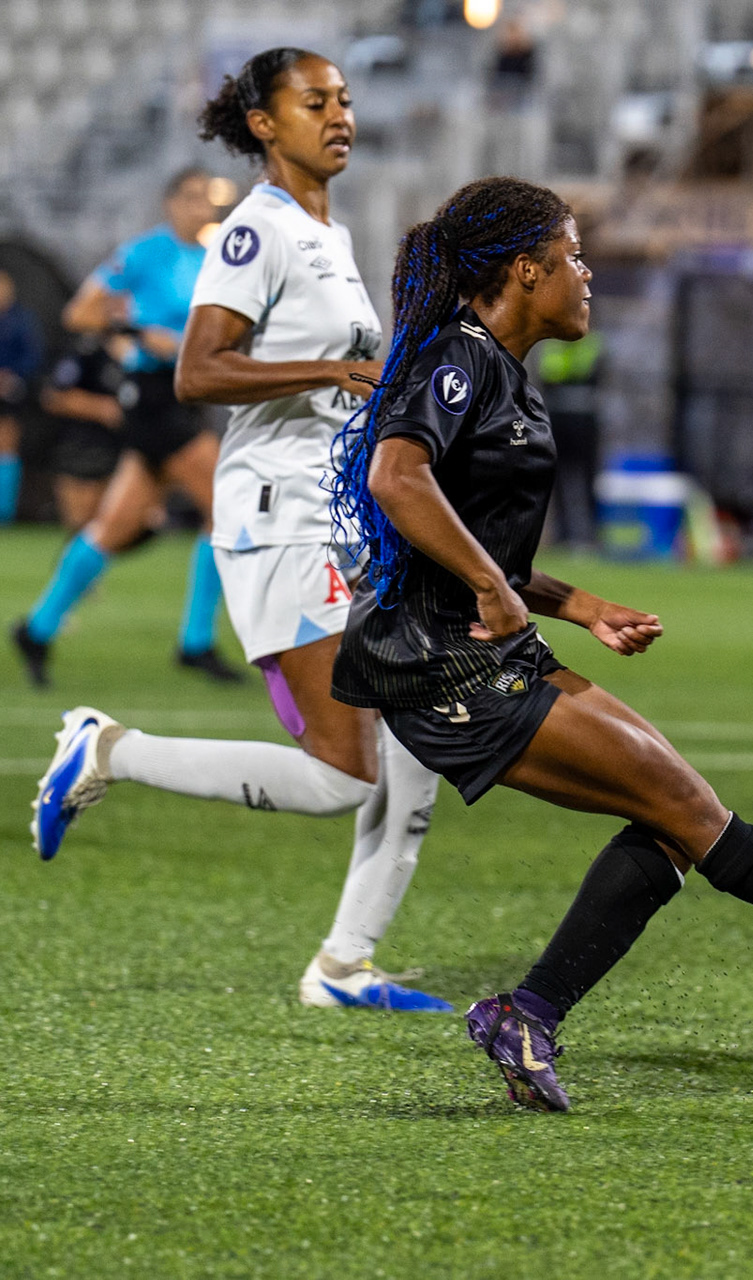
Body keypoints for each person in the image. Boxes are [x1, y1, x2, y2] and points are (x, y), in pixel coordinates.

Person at [323, 176, 753, 1111]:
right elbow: (397, 479)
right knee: (691, 811)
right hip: (440, 664)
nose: (585, 274)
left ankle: (528, 1015)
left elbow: (473, 541)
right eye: (572, 257)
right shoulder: (463, 357)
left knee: (677, 821)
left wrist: (579, 605)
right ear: (525, 271)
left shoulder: (503, 370)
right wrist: (492, 588)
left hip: (479, 652)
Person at [32, 48, 450, 1013]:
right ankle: (107, 750)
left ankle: (344, 968)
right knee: (343, 775)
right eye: (314, 102)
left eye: (345, 100)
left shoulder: (329, 231)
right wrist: (329, 372)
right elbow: (199, 371)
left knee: (417, 741)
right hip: (280, 520)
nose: (339, 116)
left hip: (335, 516)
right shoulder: (256, 231)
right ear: (264, 124)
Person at [11, 170, 242, 686]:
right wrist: (137, 331)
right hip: (154, 396)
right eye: (191, 196)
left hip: (185, 397)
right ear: (169, 202)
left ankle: (38, 628)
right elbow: (80, 313)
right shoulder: (144, 253)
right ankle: (196, 641)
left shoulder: (214, 256)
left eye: (207, 198)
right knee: (225, 506)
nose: (201, 206)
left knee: (115, 526)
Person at [38, 332, 132, 530]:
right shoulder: (86, 350)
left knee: (116, 528)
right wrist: (102, 409)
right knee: (82, 526)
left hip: (128, 448)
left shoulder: (141, 351)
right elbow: (54, 396)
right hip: (82, 449)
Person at [532, 329, 602, 549]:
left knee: (586, 476)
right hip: (566, 418)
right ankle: (565, 533)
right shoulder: (560, 346)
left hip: (579, 419)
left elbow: (550, 378)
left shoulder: (585, 345)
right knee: (560, 475)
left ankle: (588, 533)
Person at [0, 269, 44, 524]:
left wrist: (9, 378)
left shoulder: (21, 320)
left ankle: (3, 512)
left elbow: (31, 358)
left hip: (9, 394)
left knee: (6, 449)